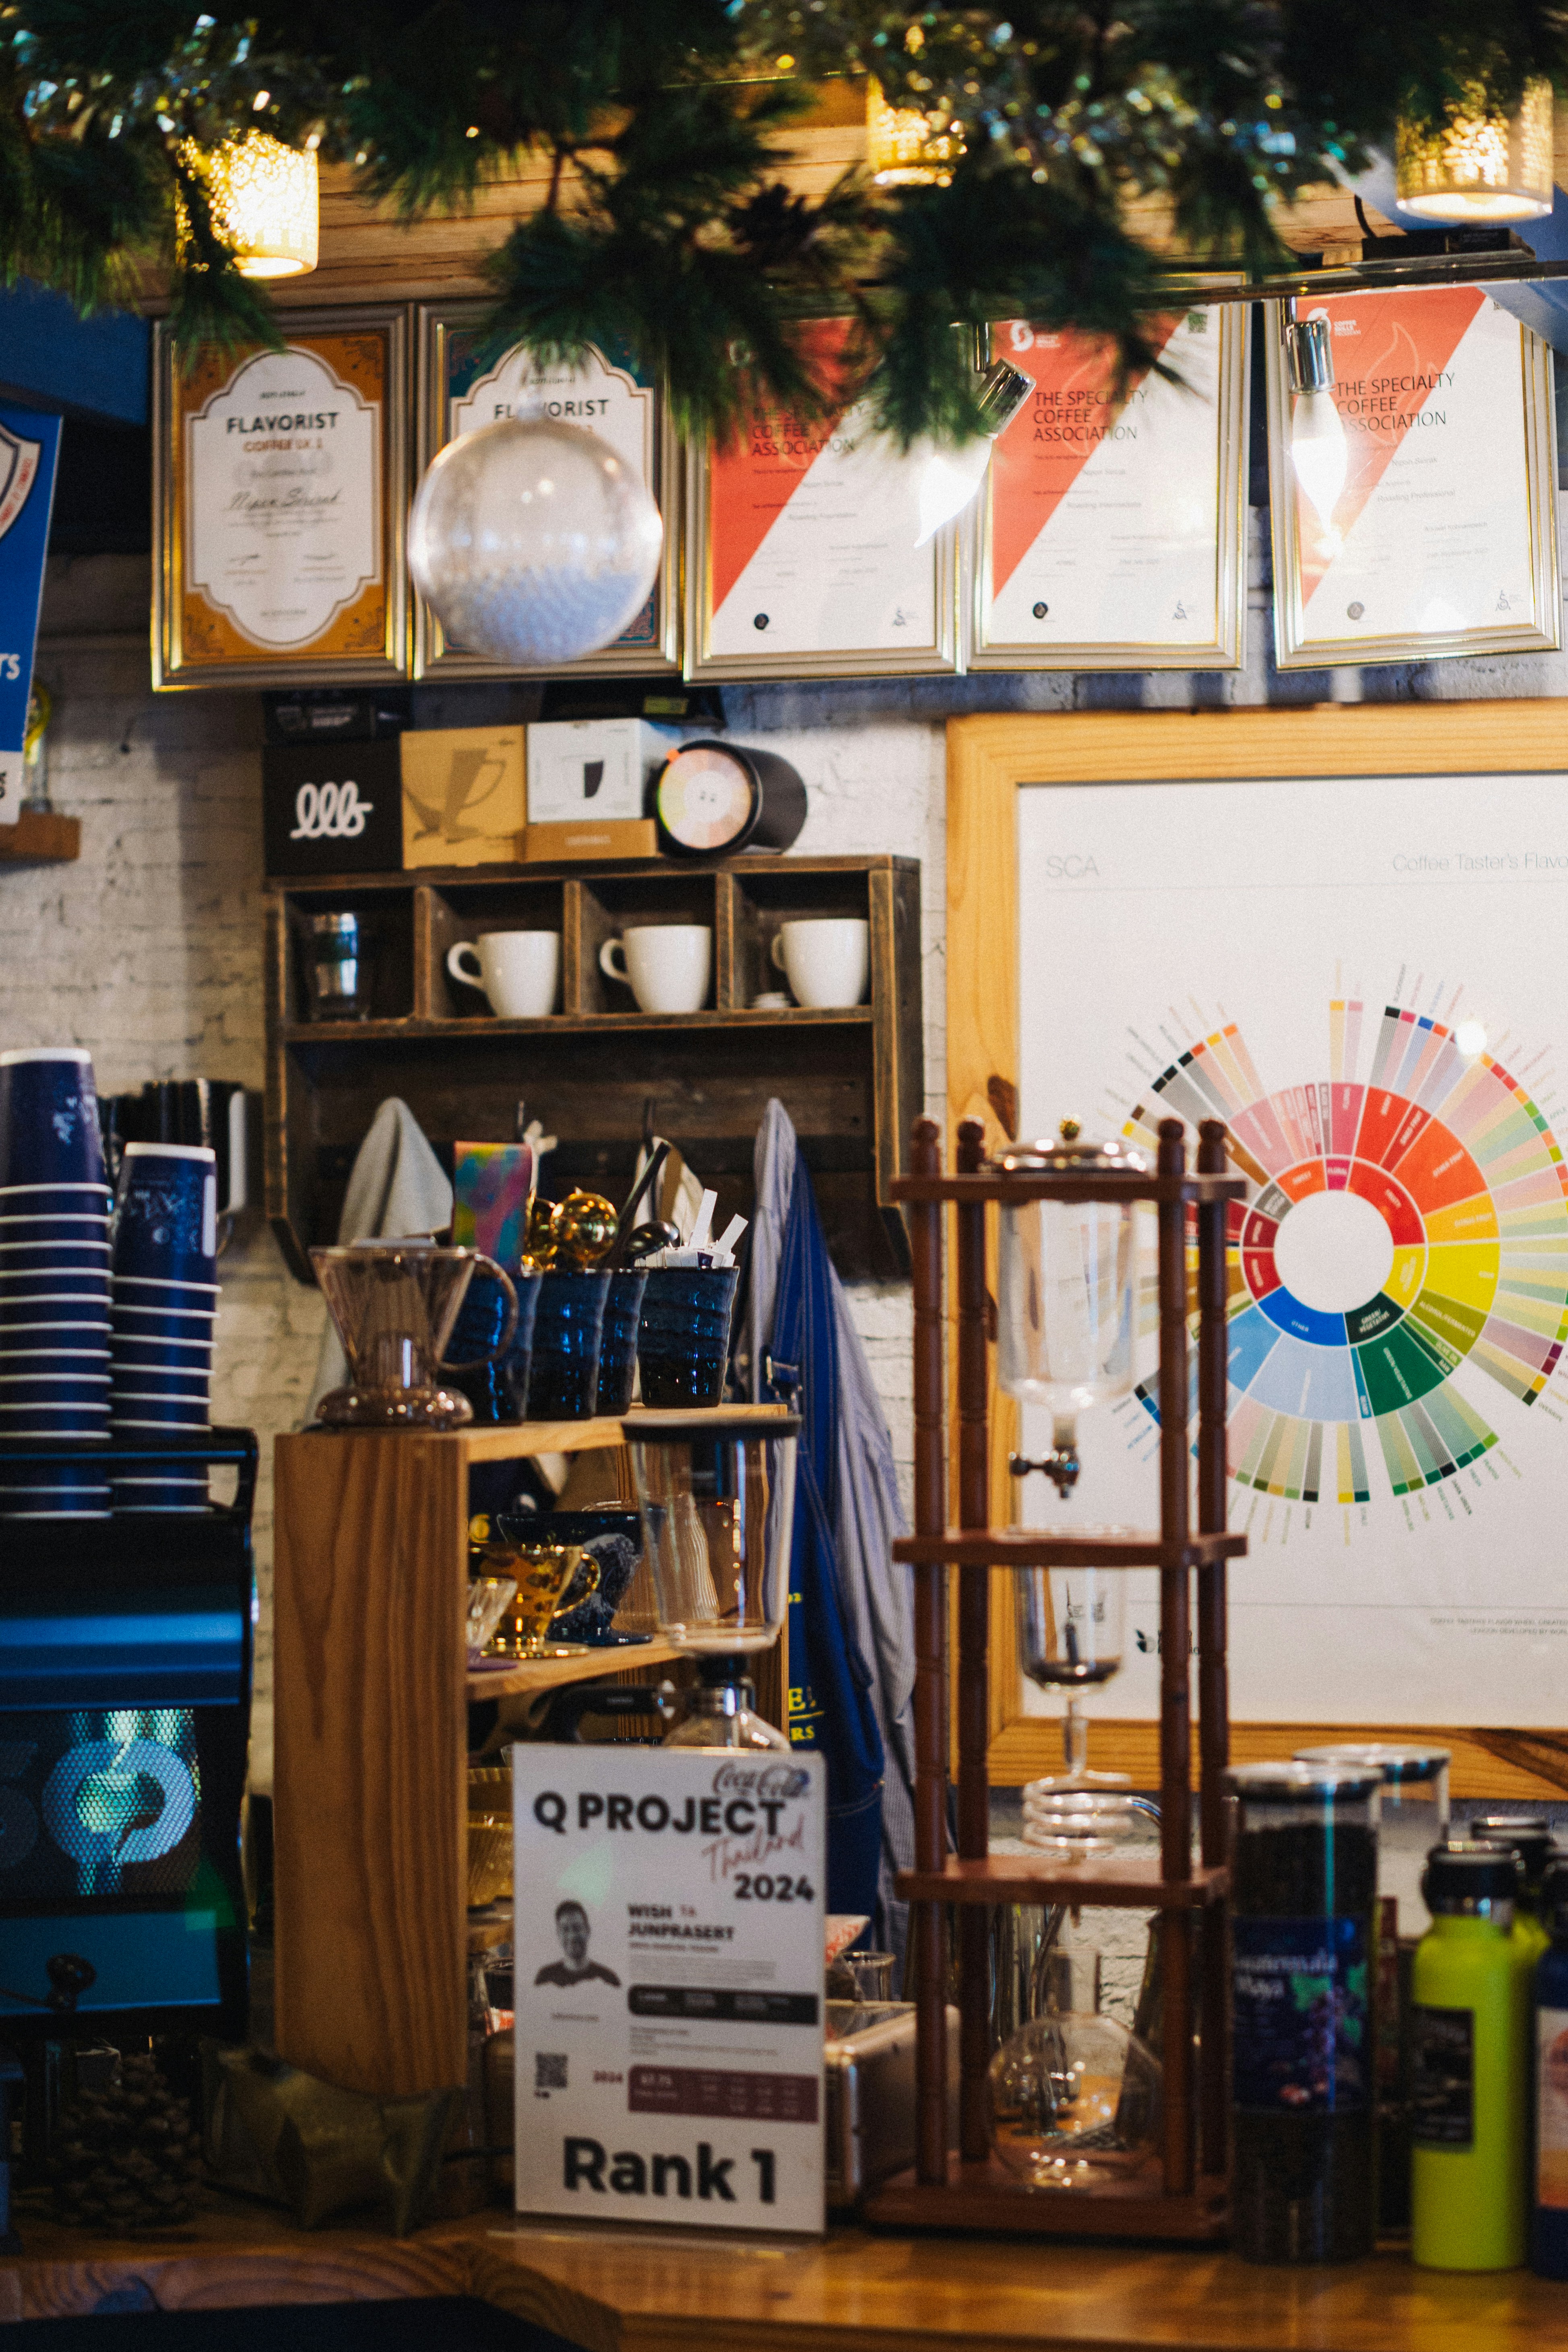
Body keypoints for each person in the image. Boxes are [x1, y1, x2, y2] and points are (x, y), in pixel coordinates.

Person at [533, 1899, 620, 1988]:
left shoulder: (608, 1980)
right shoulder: (545, 1979)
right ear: (558, 1934)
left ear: (588, 1931)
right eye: (565, 1930)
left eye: (577, 1928)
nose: (572, 1937)